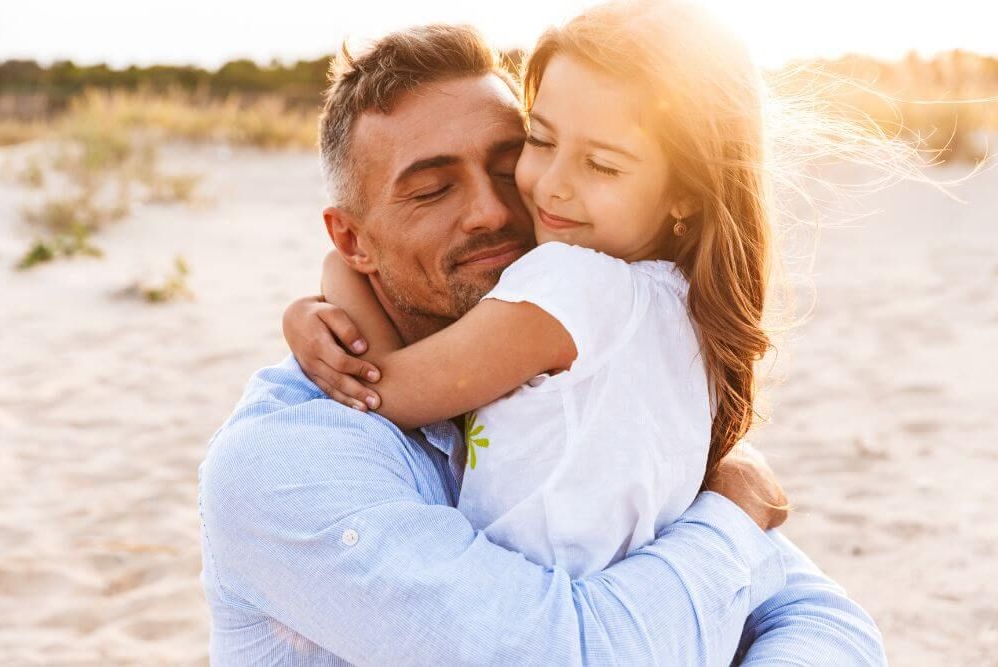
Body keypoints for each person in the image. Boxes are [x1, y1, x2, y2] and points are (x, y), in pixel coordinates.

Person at [199, 20, 887, 666]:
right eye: (433, 190)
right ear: (353, 241)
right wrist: (733, 518)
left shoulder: (590, 366)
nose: (497, 210)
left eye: (507, 163)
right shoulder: (285, 462)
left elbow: (827, 623)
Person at [285, 0, 775, 580]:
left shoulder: (570, 283)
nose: (550, 186)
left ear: (687, 190)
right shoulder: (681, 303)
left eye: (603, 165)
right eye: (539, 142)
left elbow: (382, 390)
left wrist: (337, 277)